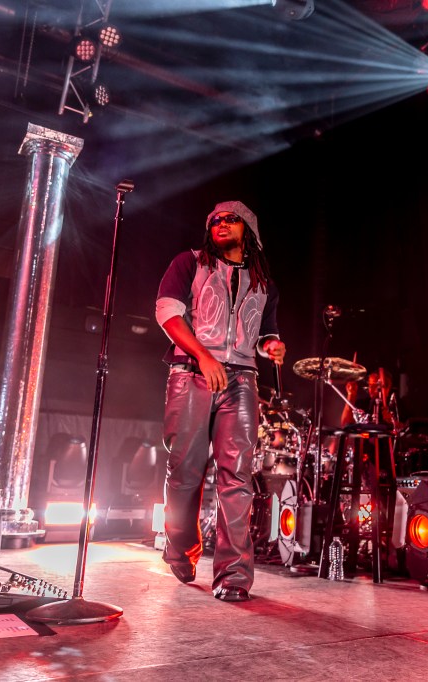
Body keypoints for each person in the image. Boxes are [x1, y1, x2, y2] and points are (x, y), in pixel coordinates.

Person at [155, 200, 286, 603]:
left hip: (242, 379)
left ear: (248, 228)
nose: (221, 224)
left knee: (237, 478)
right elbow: (167, 313)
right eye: (214, 220)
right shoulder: (189, 263)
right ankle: (180, 549)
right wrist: (204, 356)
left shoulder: (264, 282)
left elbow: (265, 332)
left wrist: (272, 346)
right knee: (185, 473)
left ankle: (233, 575)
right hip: (192, 374)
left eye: (231, 219)